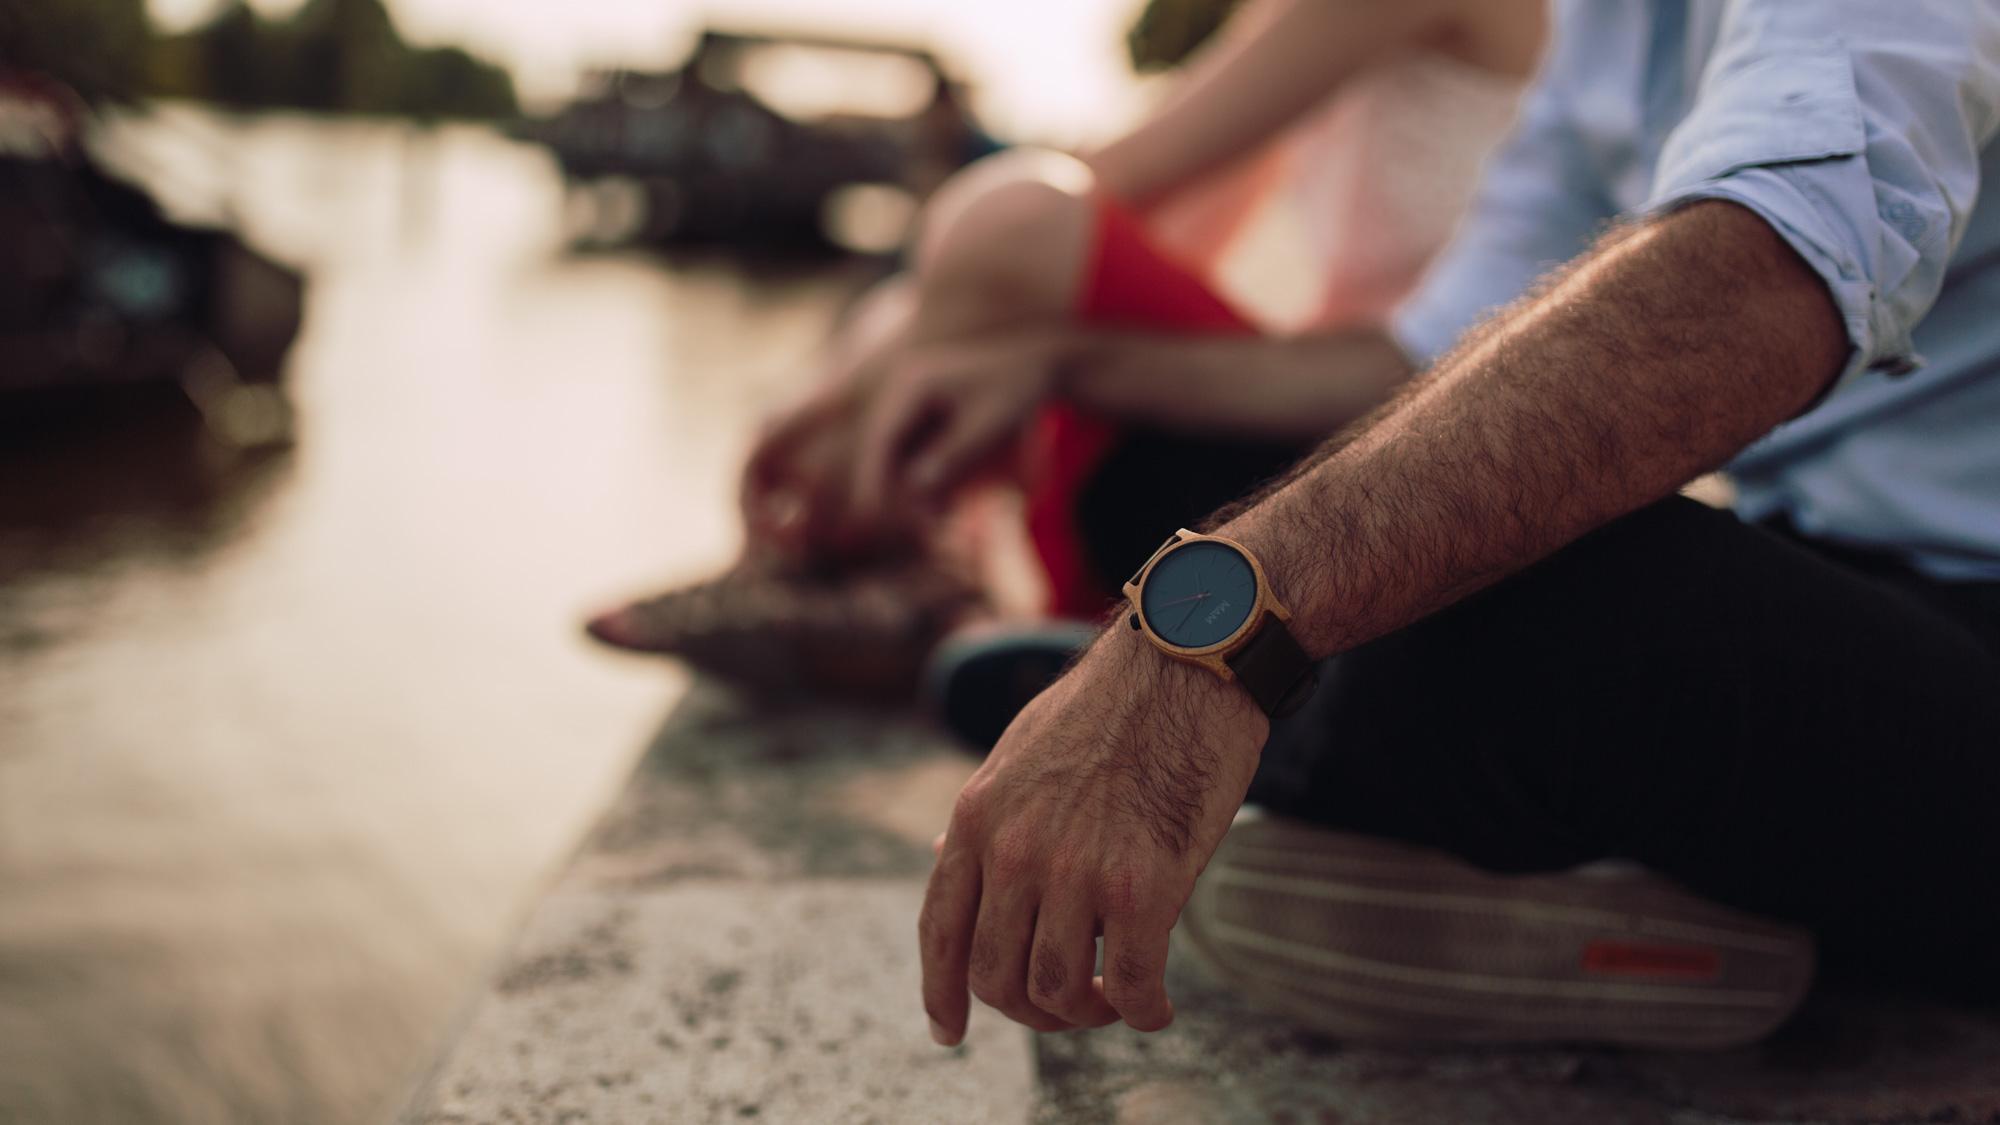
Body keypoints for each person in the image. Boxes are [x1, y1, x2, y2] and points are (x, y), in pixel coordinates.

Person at [913, 0, 2000, 1050]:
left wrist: (1190, 657)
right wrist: (1060, 369)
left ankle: (1262, 761)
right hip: (1849, 577)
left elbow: (1757, 283)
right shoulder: (1612, 19)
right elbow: (1420, 360)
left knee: (1558, 603)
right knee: (1171, 475)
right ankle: (1390, 791)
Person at [584, 0, 1543, 698]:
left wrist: (868, 369)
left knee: (1015, 220)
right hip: (1339, 403)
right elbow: (1166, 222)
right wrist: (896, 343)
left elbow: (1089, 192)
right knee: (995, 256)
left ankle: (878, 568)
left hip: (1408, 441)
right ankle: (897, 565)